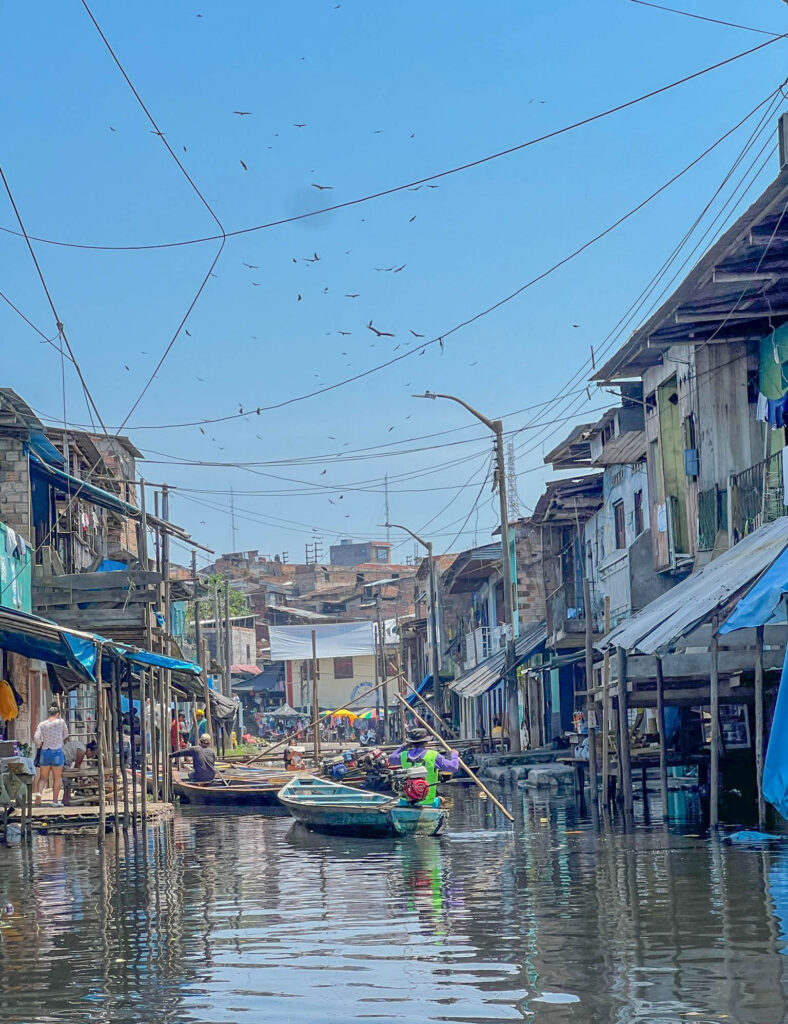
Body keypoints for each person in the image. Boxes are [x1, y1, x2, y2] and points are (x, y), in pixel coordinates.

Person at [388, 727, 459, 805]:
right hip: (427, 801)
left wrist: (403, 747)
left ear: (411, 743)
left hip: (405, 801)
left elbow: (391, 758)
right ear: (426, 742)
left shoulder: (403, 755)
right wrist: (454, 754)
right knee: (442, 800)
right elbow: (454, 767)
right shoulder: (433, 756)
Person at [33, 703, 69, 805]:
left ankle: (39, 793)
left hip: (45, 752)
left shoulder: (42, 724)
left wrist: (40, 744)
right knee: (57, 778)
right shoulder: (61, 722)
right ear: (58, 714)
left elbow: (36, 737)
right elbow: (66, 734)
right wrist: (60, 740)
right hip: (57, 752)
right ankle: (55, 801)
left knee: (43, 777)